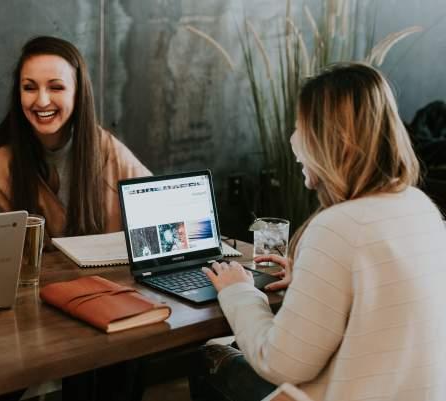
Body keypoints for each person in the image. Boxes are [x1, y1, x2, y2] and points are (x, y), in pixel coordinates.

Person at [189, 63, 446, 401]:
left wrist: (240, 292)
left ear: (331, 139)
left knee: (208, 360)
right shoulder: (420, 207)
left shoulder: (337, 227)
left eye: (299, 127)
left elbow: (280, 364)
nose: (293, 139)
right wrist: (312, 279)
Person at [0, 35, 150, 239]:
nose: (42, 101)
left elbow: (159, 210)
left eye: (56, 87)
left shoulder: (107, 149)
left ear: (78, 93)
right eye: (29, 87)